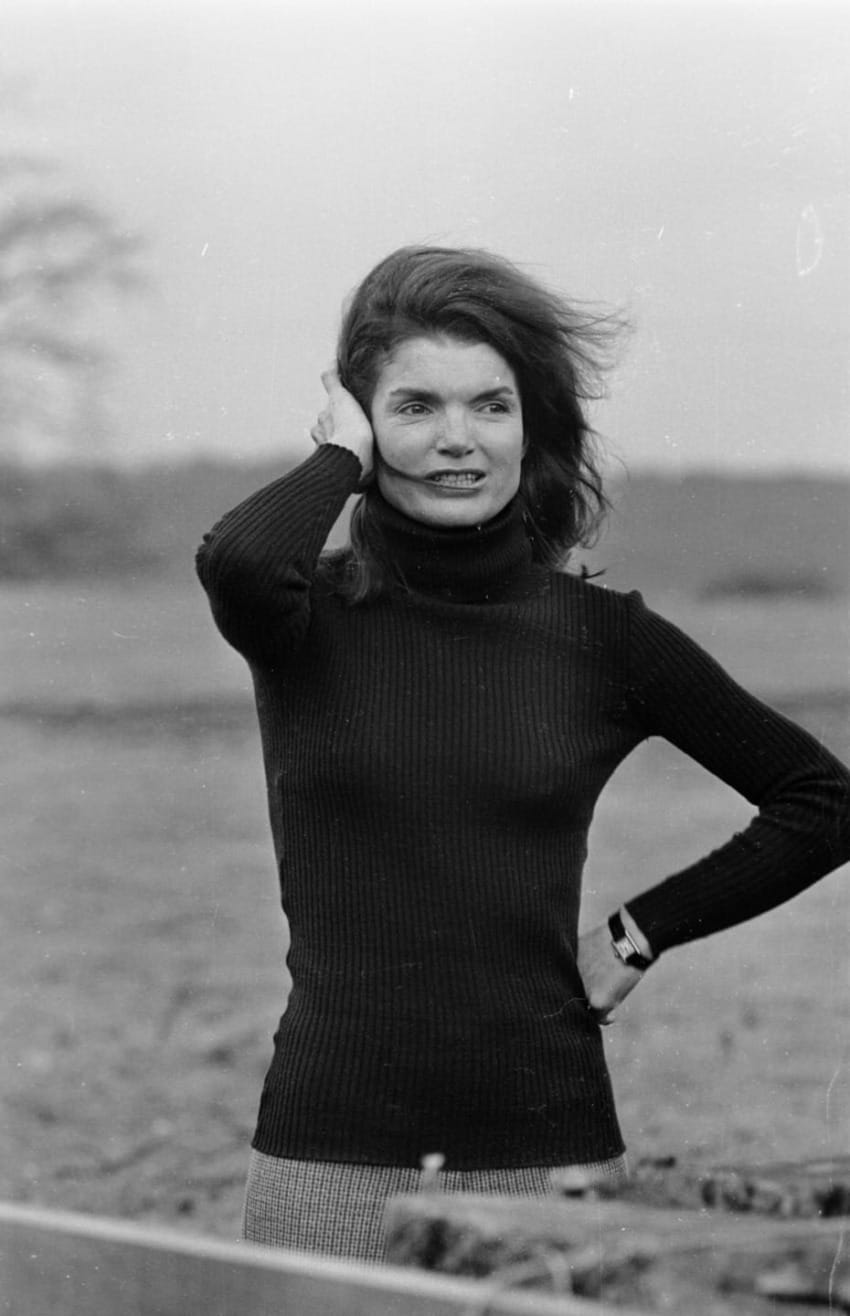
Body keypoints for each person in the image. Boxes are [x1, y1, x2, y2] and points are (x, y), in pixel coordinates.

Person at [195, 245, 850, 1263]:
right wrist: (335, 455)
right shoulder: (303, 615)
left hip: (551, 1155)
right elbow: (235, 555)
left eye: (490, 406)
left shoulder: (604, 638)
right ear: (364, 428)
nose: (458, 440)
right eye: (414, 407)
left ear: (529, 425)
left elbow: (822, 798)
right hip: (325, 1155)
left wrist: (640, 931)